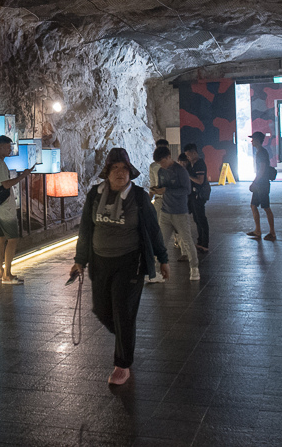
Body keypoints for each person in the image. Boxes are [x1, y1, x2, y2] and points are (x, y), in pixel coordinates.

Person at [70, 148, 170, 385]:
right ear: (107, 172)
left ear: (130, 172)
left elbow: (153, 230)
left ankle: (122, 364)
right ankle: (126, 336)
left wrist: (162, 258)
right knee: (103, 310)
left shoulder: (139, 196)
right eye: (115, 168)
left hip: (130, 262)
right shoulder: (95, 194)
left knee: (123, 312)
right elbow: (86, 229)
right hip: (100, 262)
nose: (120, 173)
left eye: (124, 168)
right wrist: (79, 260)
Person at [0, 135, 32, 284]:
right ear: (0, 147)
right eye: (8, 147)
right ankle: (7, 274)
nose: (10, 150)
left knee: (0, 238)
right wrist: (23, 176)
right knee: (13, 239)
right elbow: (6, 184)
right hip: (5, 208)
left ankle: (0, 271)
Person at [151, 146, 199, 280]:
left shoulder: (180, 171)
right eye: (159, 163)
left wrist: (166, 190)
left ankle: (194, 269)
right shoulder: (161, 171)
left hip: (180, 212)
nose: (162, 165)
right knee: (161, 243)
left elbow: (186, 190)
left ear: (168, 157)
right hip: (166, 212)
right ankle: (156, 272)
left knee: (187, 241)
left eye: (162, 162)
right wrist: (156, 190)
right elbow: (162, 187)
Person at [246, 131, 276, 240]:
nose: (252, 141)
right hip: (260, 183)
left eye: (253, 139)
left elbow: (262, 169)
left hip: (262, 184)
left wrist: (255, 181)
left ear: (258, 141)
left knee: (266, 207)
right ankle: (257, 230)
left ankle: (272, 232)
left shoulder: (262, 153)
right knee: (253, 205)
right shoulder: (260, 152)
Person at [184, 144, 211, 253]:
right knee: (197, 218)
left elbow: (200, 181)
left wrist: (188, 175)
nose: (188, 157)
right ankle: (200, 241)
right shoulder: (191, 164)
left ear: (194, 153)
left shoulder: (199, 164)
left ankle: (205, 243)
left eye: (188, 155)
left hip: (199, 195)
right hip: (192, 195)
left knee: (201, 218)